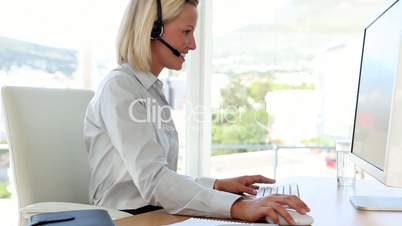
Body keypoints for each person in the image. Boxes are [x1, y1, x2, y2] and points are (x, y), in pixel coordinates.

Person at [83, 0, 310, 224]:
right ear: (153, 29)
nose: (192, 45)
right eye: (186, 32)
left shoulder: (150, 90)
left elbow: (159, 177)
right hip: (125, 218)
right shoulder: (119, 87)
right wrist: (237, 206)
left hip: (154, 211)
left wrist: (217, 185)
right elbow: (153, 181)